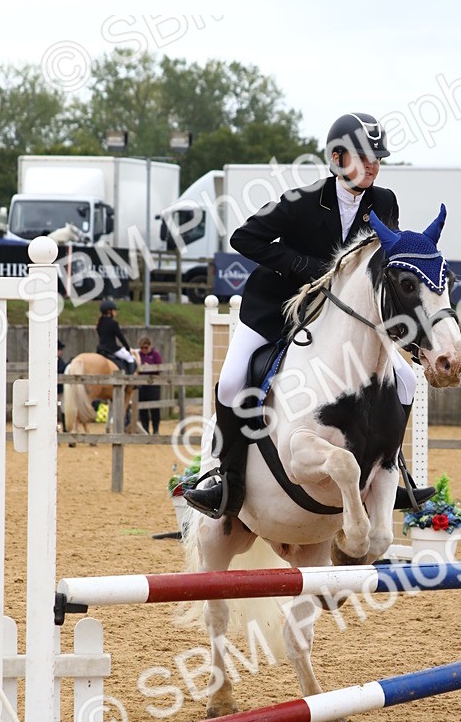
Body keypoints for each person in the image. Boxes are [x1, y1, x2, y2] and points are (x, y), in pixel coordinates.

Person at [186, 111, 434, 519]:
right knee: (231, 382)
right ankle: (226, 480)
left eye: (376, 158)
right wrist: (303, 266)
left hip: (340, 317)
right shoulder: (301, 202)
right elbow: (243, 237)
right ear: (337, 158)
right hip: (278, 306)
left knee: (404, 381)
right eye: (363, 157)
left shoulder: (384, 202)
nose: (372, 165)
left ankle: (388, 469)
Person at [95, 298, 136, 374]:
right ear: (109, 311)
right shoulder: (113, 323)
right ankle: (130, 378)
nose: (115, 312)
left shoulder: (99, 323)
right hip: (112, 349)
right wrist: (127, 348)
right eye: (114, 310)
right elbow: (121, 337)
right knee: (130, 358)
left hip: (100, 349)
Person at [137, 335, 163, 434]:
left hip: (153, 385)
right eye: (142, 348)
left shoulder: (155, 354)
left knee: (154, 408)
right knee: (143, 409)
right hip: (141, 385)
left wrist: (150, 367)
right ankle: (145, 430)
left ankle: (156, 429)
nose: (144, 350)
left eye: (146, 347)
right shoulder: (138, 355)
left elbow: (160, 367)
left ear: (150, 346)